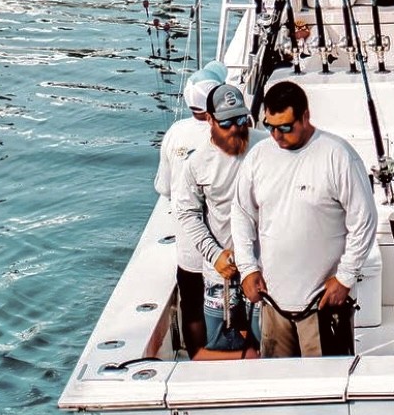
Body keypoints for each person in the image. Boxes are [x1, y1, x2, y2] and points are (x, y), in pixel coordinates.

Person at [232, 79, 378, 358]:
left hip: (321, 305)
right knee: (277, 386)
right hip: (273, 303)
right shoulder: (258, 157)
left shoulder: (338, 156)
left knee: (328, 387)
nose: (277, 135)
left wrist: (345, 277)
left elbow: (364, 220)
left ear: (305, 117)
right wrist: (248, 268)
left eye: (286, 127)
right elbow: (241, 213)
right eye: (270, 126)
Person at [173, 82, 264, 355]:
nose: (236, 128)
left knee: (264, 346)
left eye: (241, 119)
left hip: (263, 268)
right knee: (222, 350)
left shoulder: (267, 146)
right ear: (209, 119)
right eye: (226, 123)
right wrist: (214, 255)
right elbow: (186, 212)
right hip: (221, 274)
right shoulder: (197, 163)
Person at [155, 60, 227, 357]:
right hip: (225, 246)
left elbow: (164, 187)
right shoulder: (230, 132)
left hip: (189, 248)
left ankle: (200, 358)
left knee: (193, 307)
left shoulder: (175, 132)